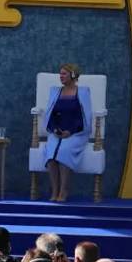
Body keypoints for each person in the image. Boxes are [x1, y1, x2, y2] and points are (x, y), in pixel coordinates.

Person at [42, 64, 93, 202]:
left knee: (64, 150)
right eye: (60, 74)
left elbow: (84, 116)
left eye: (64, 74)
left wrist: (71, 131)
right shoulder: (55, 92)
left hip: (76, 132)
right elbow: (50, 114)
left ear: (73, 75)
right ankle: (55, 189)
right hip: (57, 132)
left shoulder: (82, 92)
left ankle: (64, 190)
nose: (61, 76)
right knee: (51, 153)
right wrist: (55, 129)